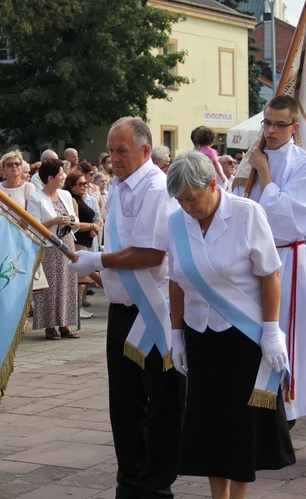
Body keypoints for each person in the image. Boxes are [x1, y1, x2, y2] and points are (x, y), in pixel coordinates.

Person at [67, 117, 184, 498]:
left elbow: (151, 253)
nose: (112, 158)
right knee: (124, 404)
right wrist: (99, 272)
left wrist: (97, 260)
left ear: (145, 150)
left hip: (152, 312)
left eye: (122, 151)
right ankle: (131, 479)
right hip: (121, 310)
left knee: (161, 403)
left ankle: (156, 483)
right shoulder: (118, 187)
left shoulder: (154, 188)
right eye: (110, 150)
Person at [166, 151, 295, 498]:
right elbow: (176, 282)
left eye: (192, 198)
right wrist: (176, 336)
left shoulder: (246, 213)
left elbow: (270, 274)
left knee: (241, 425)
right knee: (209, 423)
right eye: (180, 200)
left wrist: (270, 332)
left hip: (243, 336)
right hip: (201, 335)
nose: (187, 207)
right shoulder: (177, 222)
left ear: (212, 184)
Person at [233, 95, 306, 422]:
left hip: (286, 257)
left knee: (284, 330)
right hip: (249, 258)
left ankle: (288, 404)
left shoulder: (304, 166)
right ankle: (255, 395)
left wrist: (264, 172)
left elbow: (290, 220)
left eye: (279, 124)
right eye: (266, 122)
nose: (270, 130)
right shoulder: (252, 159)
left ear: (294, 127)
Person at [27, 159, 80, 339]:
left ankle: (65, 324)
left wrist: (72, 222)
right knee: (50, 286)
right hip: (50, 247)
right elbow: (34, 226)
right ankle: (49, 326)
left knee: (67, 285)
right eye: (60, 174)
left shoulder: (65, 195)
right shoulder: (36, 198)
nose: (64, 176)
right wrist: (55, 221)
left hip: (67, 243)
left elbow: (76, 221)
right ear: (50, 178)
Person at [64, 171, 100, 319]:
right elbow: (75, 223)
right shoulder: (73, 200)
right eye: (81, 184)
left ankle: (80, 305)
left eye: (86, 183)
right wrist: (92, 226)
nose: (85, 186)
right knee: (81, 276)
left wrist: (95, 227)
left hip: (87, 241)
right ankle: (77, 308)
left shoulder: (85, 199)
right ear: (72, 187)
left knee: (85, 276)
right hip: (78, 241)